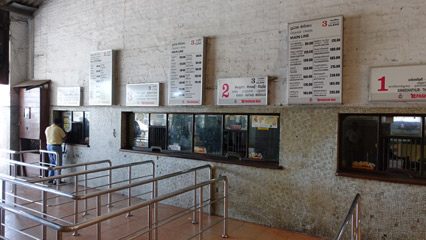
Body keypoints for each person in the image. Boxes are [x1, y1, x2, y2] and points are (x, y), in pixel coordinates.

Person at [45, 118, 67, 184]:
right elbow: (65, 137)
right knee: (58, 163)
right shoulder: (58, 129)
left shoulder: (48, 128)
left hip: (48, 146)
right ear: (60, 123)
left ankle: (50, 178)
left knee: (52, 163)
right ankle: (57, 180)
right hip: (56, 147)